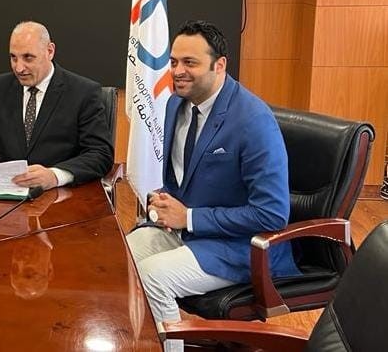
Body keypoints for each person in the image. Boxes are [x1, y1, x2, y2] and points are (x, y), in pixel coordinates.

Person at [126, 20, 298, 352]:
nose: (177, 71)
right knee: (120, 258)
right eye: (174, 61)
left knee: (152, 276)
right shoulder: (176, 103)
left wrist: (189, 217)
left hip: (240, 246)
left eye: (190, 63)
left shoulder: (253, 121)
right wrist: (164, 201)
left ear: (219, 65)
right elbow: (185, 178)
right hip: (190, 232)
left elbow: (272, 214)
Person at [0, 21, 113, 190]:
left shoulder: (83, 92)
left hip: (62, 195)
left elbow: (100, 154)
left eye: (28, 57)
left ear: (50, 51)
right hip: (7, 192)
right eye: (13, 57)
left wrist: (55, 176)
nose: (19, 68)